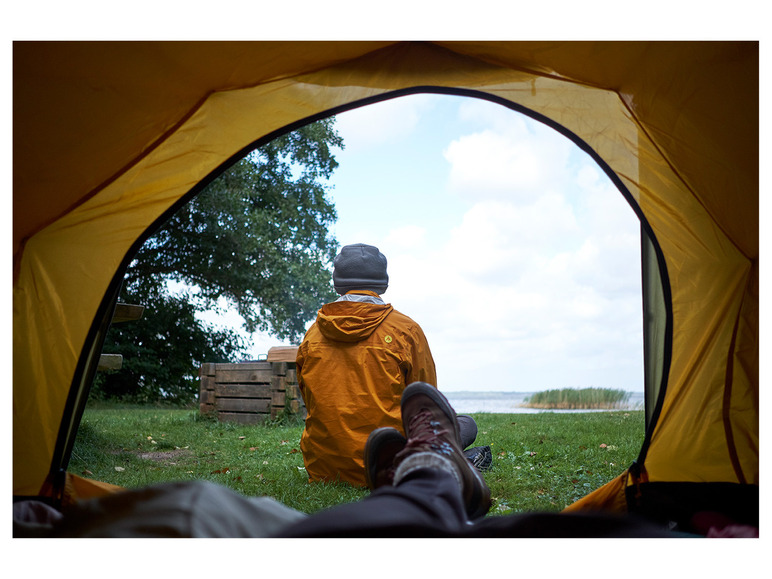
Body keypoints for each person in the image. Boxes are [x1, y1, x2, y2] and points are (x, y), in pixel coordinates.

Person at [29, 382, 676, 538]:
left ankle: (424, 467)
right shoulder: (403, 325)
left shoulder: (314, 330)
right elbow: (420, 376)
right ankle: (440, 464)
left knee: (199, 509)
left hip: (320, 466)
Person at [295, 243, 481, 487]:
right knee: (466, 425)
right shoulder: (406, 330)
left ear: (337, 283)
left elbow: (309, 399)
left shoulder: (312, 335)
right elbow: (427, 405)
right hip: (391, 466)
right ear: (383, 283)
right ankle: (452, 462)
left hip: (326, 468)